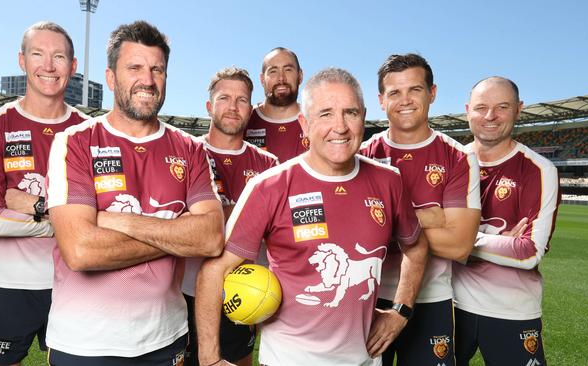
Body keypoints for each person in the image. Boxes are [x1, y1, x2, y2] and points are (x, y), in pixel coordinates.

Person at [196, 67, 429, 366]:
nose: (340, 126)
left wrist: (401, 311)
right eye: (326, 114)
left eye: (350, 113)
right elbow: (213, 272)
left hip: (365, 359)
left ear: (364, 117)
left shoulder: (389, 181)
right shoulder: (269, 186)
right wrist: (209, 359)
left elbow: (417, 246)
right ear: (304, 124)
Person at [45, 21, 224, 365]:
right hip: (84, 342)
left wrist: (117, 221)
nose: (148, 80)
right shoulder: (75, 142)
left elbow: (211, 238)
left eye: (157, 69)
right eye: (135, 68)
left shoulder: (189, 148)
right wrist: (177, 232)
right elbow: (81, 251)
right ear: (111, 78)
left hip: (165, 337)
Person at [0, 21, 85, 366]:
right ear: (22, 61)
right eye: (38, 54)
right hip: (7, 282)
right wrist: (61, 222)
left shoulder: (89, 133)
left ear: (72, 67)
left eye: (58, 56)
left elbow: (104, 214)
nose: (48, 66)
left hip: (75, 281)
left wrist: (35, 205)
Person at [360, 53, 481, 366]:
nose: (405, 100)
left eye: (414, 89)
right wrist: (430, 216)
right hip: (366, 299)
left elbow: (459, 244)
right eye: (394, 92)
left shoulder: (458, 157)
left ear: (432, 93)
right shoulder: (362, 157)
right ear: (380, 100)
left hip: (431, 301)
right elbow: (348, 231)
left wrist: (382, 221)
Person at [453, 77, 560, 366]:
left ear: (518, 109)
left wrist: (457, 240)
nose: (490, 116)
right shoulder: (451, 163)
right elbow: (422, 233)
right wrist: (502, 243)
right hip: (447, 305)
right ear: (468, 110)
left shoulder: (539, 170)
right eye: (481, 107)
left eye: (502, 107)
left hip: (511, 311)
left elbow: (528, 252)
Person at [182, 66, 278, 366]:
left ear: (251, 109)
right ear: (210, 106)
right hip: (186, 290)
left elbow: (275, 229)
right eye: (225, 98)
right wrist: (247, 214)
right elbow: (178, 221)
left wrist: (218, 215)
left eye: (242, 100)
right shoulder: (186, 152)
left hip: (243, 291)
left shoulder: (269, 164)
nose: (233, 107)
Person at [243, 47, 309, 162]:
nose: (281, 78)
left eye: (288, 70)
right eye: (273, 71)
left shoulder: (316, 120)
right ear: (262, 79)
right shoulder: (243, 120)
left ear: (300, 76)